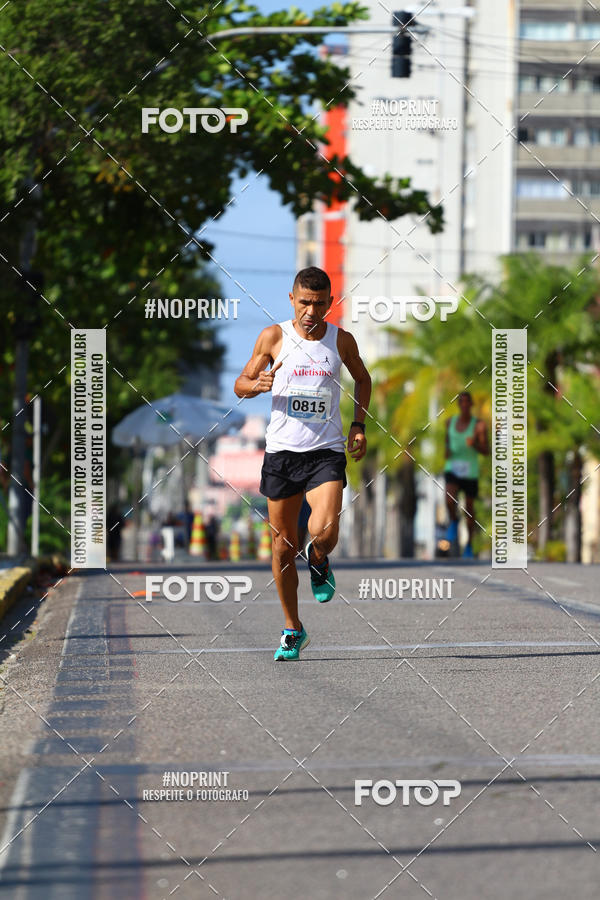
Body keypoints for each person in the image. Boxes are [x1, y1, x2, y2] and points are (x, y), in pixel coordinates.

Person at [234, 266, 371, 661]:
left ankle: (320, 557)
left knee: (322, 531)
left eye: (319, 303)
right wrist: (256, 385)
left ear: (330, 303)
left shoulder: (340, 341)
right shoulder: (273, 337)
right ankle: (293, 628)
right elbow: (241, 383)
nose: (311, 311)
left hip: (325, 452)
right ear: (292, 300)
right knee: (281, 547)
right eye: (305, 302)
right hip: (281, 455)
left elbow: (364, 380)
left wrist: (358, 424)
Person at [444, 391, 489, 558]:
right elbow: (447, 442)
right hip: (453, 467)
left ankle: (469, 545)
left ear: (471, 405)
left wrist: (475, 444)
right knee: (449, 498)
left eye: (466, 402)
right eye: (460, 402)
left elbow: (486, 451)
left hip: (470, 471)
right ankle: (454, 521)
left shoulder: (479, 426)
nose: (463, 405)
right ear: (458, 405)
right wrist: (447, 452)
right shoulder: (450, 423)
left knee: (469, 510)